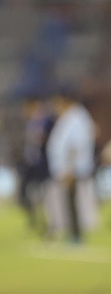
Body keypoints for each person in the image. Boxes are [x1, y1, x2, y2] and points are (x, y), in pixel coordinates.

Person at [45, 88, 98, 243]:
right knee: (69, 203)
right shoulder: (69, 117)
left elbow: (75, 146)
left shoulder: (77, 118)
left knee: (73, 203)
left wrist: (70, 168)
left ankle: (76, 236)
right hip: (67, 169)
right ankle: (73, 235)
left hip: (72, 169)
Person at [17, 97, 54, 233]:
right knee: (23, 194)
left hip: (43, 166)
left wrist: (41, 138)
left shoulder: (47, 121)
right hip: (31, 165)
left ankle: (47, 226)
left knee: (44, 197)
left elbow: (51, 139)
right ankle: (35, 222)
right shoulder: (31, 123)